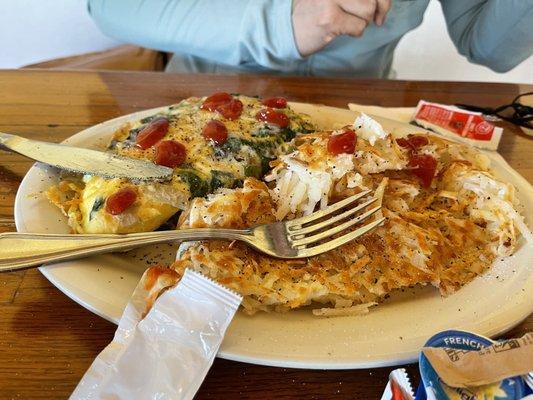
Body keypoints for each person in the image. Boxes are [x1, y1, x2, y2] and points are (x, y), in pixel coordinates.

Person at [87, 0, 533, 78]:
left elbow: (488, 45)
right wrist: (281, 24)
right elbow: (111, 7)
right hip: (198, 109)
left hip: (359, 127)